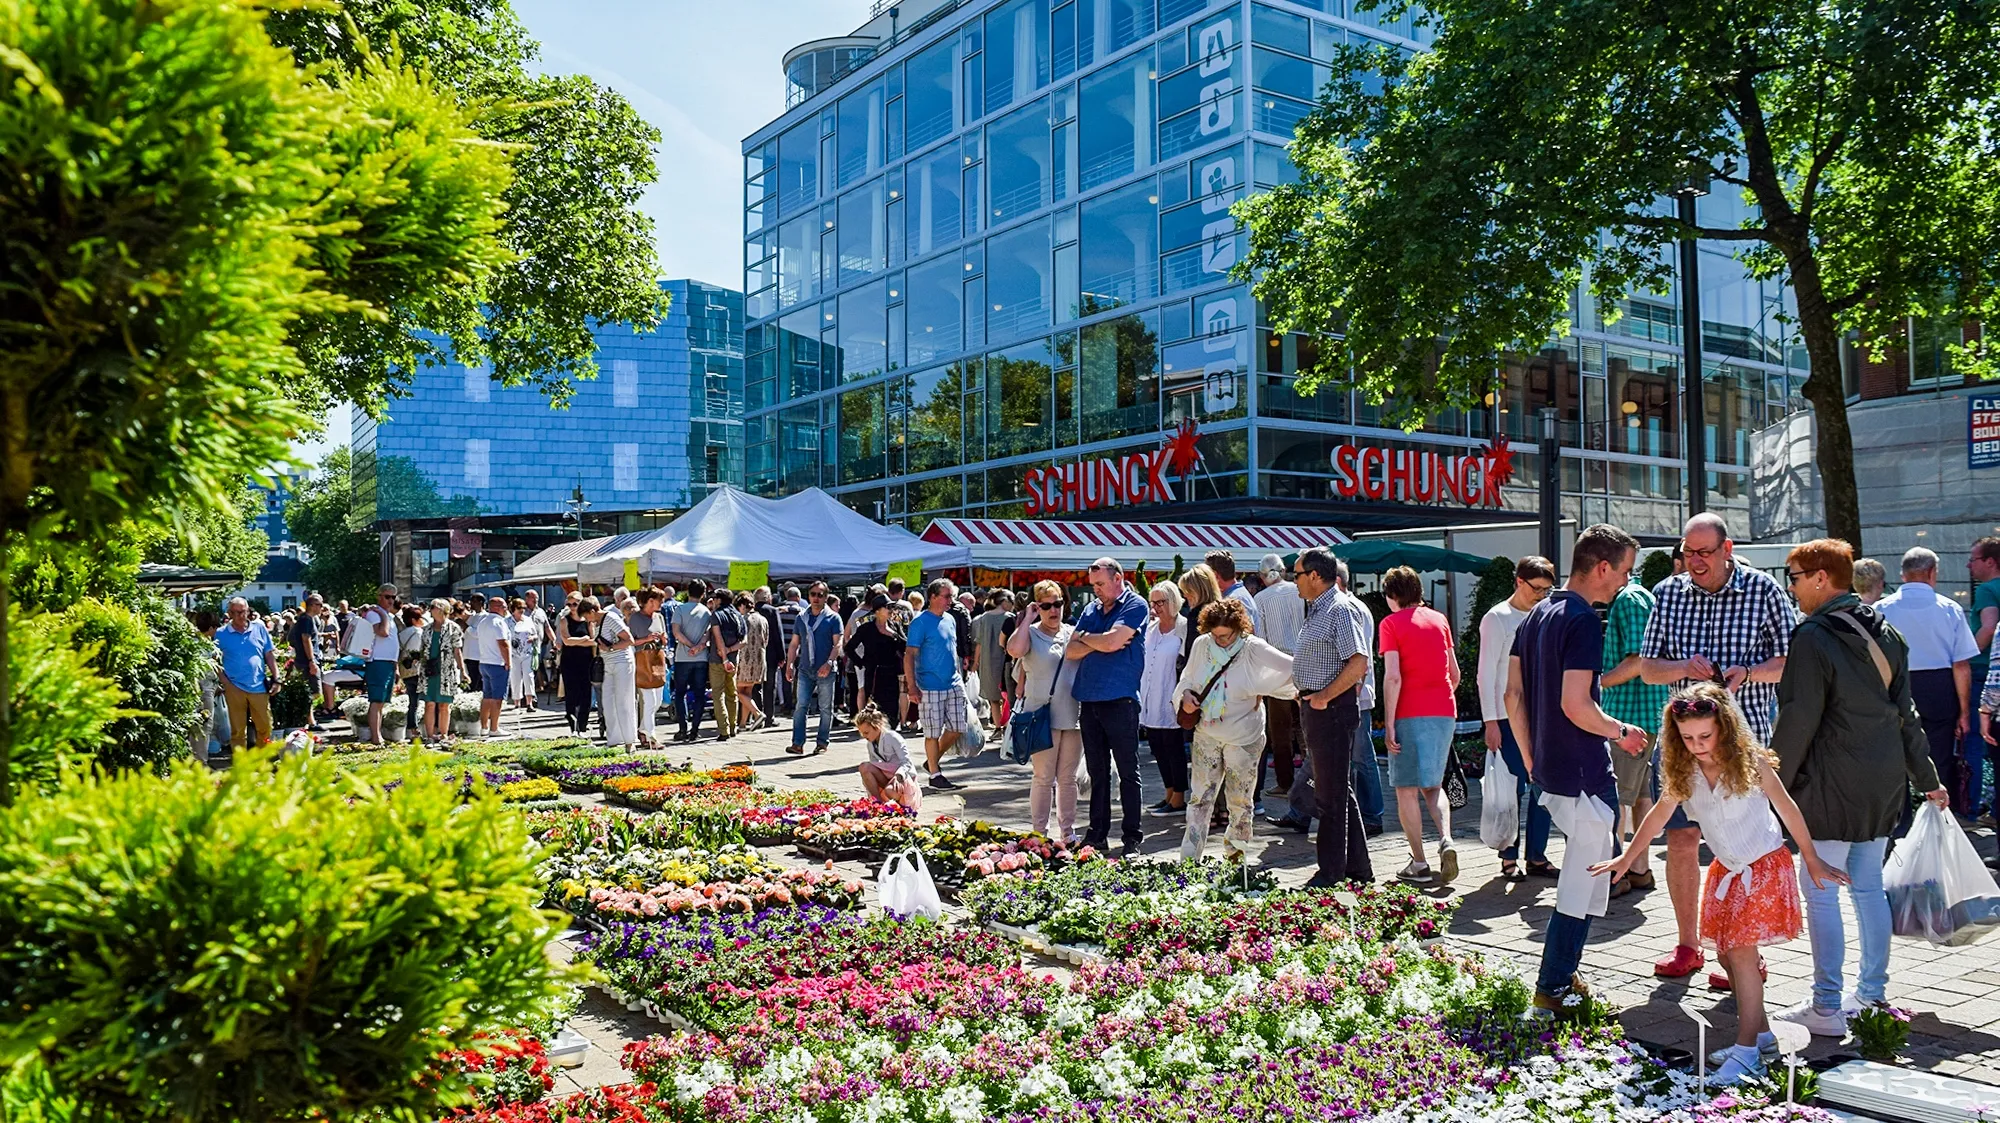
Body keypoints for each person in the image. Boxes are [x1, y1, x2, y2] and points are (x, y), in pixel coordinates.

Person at [1594, 683, 1848, 1083]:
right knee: (1727, 956)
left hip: (1762, 866)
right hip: (1726, 871)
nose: (1697, 745)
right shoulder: (1684, 773)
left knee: (1743, 956)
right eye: (1688, 737)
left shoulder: (1750, 762)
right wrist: (1627, 857)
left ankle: (1748, 1051)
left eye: (1705, 736)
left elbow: (1788, 807)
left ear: (1725, 728)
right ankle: (1762, 1035)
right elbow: (1659, 816)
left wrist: (1812, 859)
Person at [1776, 539, 1949, 1037]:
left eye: (1795, 577)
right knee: (1868, 886)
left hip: (1831, 781)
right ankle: (1871, 994)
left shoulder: (1812, 635)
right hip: (1883, 779)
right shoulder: (1885, 629)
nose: (1791, 587)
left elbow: (1798, 718)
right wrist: (1928, 779)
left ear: (1821, 578)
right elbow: (1907, 716)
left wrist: (1772, 784)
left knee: (1823, 890)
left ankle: (1826, 1006)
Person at [1639, 512, 1796, 986]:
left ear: (1727, 550)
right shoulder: (1667, 593)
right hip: (1684, 744)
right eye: (1688, 552)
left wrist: (1747, 672)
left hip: (1742, 745)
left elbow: (1791, 661)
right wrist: (1682, 665)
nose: (1694, 561)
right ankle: (1689, 944)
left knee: (1741, 849)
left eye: (1704, 553)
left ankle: (1743, 952)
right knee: (1681, 839)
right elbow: (1647, 668)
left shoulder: (1763, 590)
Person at [1504, 523, 1650, 1017]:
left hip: (1551, 769)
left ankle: (1564, 977)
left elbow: (1512, 696)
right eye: (1625, 572)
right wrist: (1620, 731)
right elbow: (1576, 705)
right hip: (1585, 771)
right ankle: (1553, 986)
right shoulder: (1585, 620)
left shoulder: (1536, 614)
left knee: (1586, 877)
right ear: (1603, 567)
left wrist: (1529, 755)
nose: (1625, 583)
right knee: (1583, 881)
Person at [1176, 598, 1297, 863]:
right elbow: (1187, 677)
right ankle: (1188, 860)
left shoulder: (1253, 648)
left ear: (1239, 628)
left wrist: (1310, 688)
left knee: (1240, 801)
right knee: (1199, 799)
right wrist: (1185, 695)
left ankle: (1235, 859)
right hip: (1207, 733)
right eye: (1215, 635)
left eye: (1226, 635)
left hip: (1244, 737)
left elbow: (1292, 667)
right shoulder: (1202, 644)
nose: (1220, 640)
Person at [1286, 547, 1375, 886]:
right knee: (1338, 791)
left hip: (1332, 712)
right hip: (1319, 708)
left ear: (1314, 576)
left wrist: (1322, 696)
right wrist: (1307, 691)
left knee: (1330, 797)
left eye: (1296, 574)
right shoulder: (1319, 607)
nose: (1292, 581)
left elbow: (1358, 662)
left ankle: (1331, 872)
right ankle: (1358, 869)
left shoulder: (1338, 608)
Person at [1876, 546, 1981, 819]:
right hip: (1939, 688)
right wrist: (1964, 711)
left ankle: (1899, 822)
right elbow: (1961, 664)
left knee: (1894, 756)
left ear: (1903, 574)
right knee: (1940, 756)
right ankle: (1939, 818)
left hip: (1893, 686)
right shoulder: (1950, 609)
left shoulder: (1880, 609)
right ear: (1933, 573)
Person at [1378, 565, 1460, 886]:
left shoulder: (1390, 625)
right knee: (1433, 786)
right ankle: (1447, 839)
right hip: (1444, 711)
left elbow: (1393, 676)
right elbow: (1454, 674)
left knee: (1406, 790)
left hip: (1408, 713)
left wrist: (1389, 724)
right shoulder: (1439, 620)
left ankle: (1420, 863)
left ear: (1393, 595)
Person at [1477, 556, 1557, 880]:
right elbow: (1485, 674)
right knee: (1512, 788)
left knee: (1544, 787)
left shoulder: (1547, 616)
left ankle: (1537, 856)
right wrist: (1490, 721)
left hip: (1543, 716)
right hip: (1507, 716)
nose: (1541, 595)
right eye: (1536, 588)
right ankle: (1509, 857)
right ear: (1519, 582)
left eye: (1547, 590)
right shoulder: (1497, 618)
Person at [1067, 559, 1150, 852]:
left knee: (1128, 771)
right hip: (1089, 699)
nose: (1096, 590)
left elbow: (1113, 642)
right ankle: (1097, 834)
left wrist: (1090, 640)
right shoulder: (1091, 609)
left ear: (1119, 579)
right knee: (1097, 771)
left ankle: (1131, 838)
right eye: (1093, 585)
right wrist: (1097, 640)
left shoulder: (1135, 604)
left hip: (1120, 699)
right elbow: (1071, 650)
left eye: (1100, 584)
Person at [1601, 571, 1668, 898]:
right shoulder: (1639, 596)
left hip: (1631, 717)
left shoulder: (1628, 599)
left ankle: (1615, 875)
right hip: (1645, 716)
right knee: (1640, 798)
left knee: (1616, 802)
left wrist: (1595, 682)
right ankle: (1639, 871)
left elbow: (1639, 659)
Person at [1009, 579, 1084, 842]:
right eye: (1046, 605)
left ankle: (1068, 832)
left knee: (1068, 778)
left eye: (1058, 604)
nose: (1054, 610)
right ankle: (1039, 833)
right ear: (1037, 607)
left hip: (1073, 715)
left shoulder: (1072, 632)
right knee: (1043, 777)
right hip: (1041, 717)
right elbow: (1014, 650)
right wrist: (1027, 618)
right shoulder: (1030, 633)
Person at [904, 579, 967, 783]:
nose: (951, 600)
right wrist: (912, 686)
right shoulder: (920, 622)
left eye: (952, 596)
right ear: (932, 597)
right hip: (929, 686)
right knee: (932, 732)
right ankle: (934, 774)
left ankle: (933, 760)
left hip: (954, 683)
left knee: (958, 727)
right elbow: (909, 655)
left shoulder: (950, 619)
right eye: (947, 596)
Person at [1253, 553, 1305, 801]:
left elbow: (1260, 641)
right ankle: (1311, 779)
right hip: (1304, 663)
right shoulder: (1300, 590)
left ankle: (1286, 783)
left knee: (1280, 730)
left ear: (1263, 577)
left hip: (1275, 668)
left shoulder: (1260, 599)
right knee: (1306, 724)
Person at [1140, 580, 1190, 814]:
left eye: (1161, 602)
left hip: (1171, 696)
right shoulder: (1150, 629)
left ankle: (1179, 797)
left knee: (1174, 748)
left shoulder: (1184, 628)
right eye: (1154, 602)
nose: (1156, 607)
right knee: (1157, 747)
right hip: (1151, 697)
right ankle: (1169, 793)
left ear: (1173, 601)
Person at [1963, 537, 2000, 819]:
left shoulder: (1987, 590)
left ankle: (1971, 809)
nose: (1968, 564)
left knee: (1977, 740)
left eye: (1973, 559)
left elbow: (1988, 627)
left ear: (1990, 562)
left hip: (1985, 672)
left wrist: (1966, 654)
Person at [788, 581, 846, 756]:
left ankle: (822, 743)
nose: (816, 598)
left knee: (825, 708)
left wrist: (829, 663)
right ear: (808, 596)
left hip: (826, 669)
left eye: (820, 595)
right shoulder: (801, 618)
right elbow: (794, 644)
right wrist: (790, 664)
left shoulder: (833, 618)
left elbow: (838, 644)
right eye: (813, 594)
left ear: (826, 597)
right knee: (800, 706)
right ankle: (797, 743)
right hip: (805, 668)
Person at [216, 596, 278, 750]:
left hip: (258, 685)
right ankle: (241, 765)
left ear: (248, 611)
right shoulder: (221, 633)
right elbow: (214, 660)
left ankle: (262, 760)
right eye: (235, 612)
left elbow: (269, 654)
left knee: (265, 726)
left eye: (242, 611)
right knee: (237, 730)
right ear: (229, 613)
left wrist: (276, 678)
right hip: (234, 686)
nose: (240, 615)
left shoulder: (259, 628)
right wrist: (224, 681)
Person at [845, 593, 906, 717]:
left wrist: (893, 635)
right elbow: (849, 648)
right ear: (877, 611)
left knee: (892, 707)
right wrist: (861, 662)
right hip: (874, 673)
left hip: (892, 672)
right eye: (887, 607)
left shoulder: (895, 626)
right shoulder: (866, 628)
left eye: (891, 607)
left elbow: (905, 646)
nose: (891, 610)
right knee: (875, 708)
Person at [355, 584, 401, 746]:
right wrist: (382, 614)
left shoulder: (388, 615)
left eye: (393, 597)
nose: (390, 600)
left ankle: (378, 734)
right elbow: (383, 632)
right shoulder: (375, 615)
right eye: (387, 597)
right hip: (377, 661)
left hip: (387, 662)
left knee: (381, 701)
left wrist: (395, 667)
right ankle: (375, 736)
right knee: (376, 700)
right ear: (379, 596)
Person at [668, 579, 713, 743]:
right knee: (700, 694)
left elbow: (676, 632)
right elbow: (709, 633)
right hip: (701, 658)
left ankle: (682, 728)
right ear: (703, 594)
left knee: (680, 693)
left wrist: (689, 646)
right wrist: (699, 647)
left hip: (682, 657)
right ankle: (695, 729)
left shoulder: (679, 609)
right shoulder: (707, 612)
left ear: (687, 592)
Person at [854, 704, 922, 809]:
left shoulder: (892, 737)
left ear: (877, 726)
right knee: (864, 767)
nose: (864, 736)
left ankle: (903, 808)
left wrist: (898, 776)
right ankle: (877, 804)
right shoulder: (870, 744)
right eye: (862, 733)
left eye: (866, 732)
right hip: (888, 776)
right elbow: (875, 766)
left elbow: (906, 762)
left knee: (889, 790)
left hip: (902, 777)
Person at [419, 598, 467, 743]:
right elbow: (422, 650)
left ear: (441, 610)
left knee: (444, 705)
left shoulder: (453, 628)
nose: (430, 609)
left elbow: (457, 651)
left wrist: (463, 671)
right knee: (429, 703)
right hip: (429, 670)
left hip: (446, 670)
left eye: (433, 607)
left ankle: (444, 735)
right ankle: (429, 736)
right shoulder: (426, 629)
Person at [596, 594, 638, 747]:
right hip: (608, 665)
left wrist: (610, 648)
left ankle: (629, 741)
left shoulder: (611, 618)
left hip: (622, 663)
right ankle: (613, 740)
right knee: (608, 703)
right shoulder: (596, 623)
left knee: (623, 702)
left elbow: (629, 640)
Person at [628, 589, 668, 747]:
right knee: (649, 700)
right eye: (660, 600)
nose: (661, 604)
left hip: (657, 659)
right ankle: (651, 736)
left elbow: (665, 639)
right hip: (642, 660)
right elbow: (630, 641)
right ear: (650, 600)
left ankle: (643, 729)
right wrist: (647, 638)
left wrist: (663, 639)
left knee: (657, 701)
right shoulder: (635, 618)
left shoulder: (659, 617)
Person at [470, 594, 512, 737]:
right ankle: (494, 728)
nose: (506, 609)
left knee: (487, 696)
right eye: (505, 606)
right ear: (498, 608)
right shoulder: (499, 622)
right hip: (497, 663)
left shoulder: (483, 621)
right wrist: (508, 662)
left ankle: (484, 727)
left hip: (484, 662)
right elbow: (503, 643)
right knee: (497, 697)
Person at [286, 593, 328, 732]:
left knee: (311, 691)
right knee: (314, 691)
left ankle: (309, 720)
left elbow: (292, 638)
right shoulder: (307, 620)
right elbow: (306, 639)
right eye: (320, 605)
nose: (321, 607)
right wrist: (311, 661)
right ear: (312, 605)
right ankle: (307, 719)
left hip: (304, 659)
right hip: (307, 660)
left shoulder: (305, 619)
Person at [708, 589, 746, 741]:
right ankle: (733, 726)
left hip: (718, 661)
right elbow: (744, 642)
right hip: (734, 659)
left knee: (718, 694)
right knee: (732, 693)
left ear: (719, 600)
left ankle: (723, 730)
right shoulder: (738, 615)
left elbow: (718, 638)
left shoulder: (716, 615)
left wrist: (724, 658)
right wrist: (730, 651)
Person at [558, 592, 596, 734]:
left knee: (586, 694)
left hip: (586, 661)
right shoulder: (564, 620)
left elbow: (594, 641)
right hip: (569, 661)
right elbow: (566, 640)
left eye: (575, 603)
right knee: (571, 694)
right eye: (569, 604)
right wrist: (583, 640)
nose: (572, 607)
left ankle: (582, 726)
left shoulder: (588, 621)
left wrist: (579, 641)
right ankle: (572, 725)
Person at [974, 591, 1014, 723]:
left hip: (987, 662)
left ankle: (997, 726)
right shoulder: (1010, 617)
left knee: (993, 699)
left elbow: (979, 642)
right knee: (1008, 696)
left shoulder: (984, 617)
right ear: (1004, 601)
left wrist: (976, 661)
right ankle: (1007, 726)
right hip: (1006, 661)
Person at [732, 593, 770, 730]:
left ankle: (757, 713)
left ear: (742, 605)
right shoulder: (763, 619)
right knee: (747, 692)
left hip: (744, 659)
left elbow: (739, 639)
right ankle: (742, 724)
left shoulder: (741, 619)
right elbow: (766, 640)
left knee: (738, 692)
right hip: (759, 659)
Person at [191, 610, 225, 756]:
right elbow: (211, 670)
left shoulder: (191, 642)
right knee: (205, 725)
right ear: (211, 628)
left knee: (194, 724)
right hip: (205, 689)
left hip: (195, 688)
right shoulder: (207, 645)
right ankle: (201, 761)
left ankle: (194, 758)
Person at [1204, 549, 1261, 632]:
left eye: (1206, 575)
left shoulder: (1238, 599)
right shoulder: (1236, 595)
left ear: (1215, 575)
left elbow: (1248, 634)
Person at [754, 586, 787, 720]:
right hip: (771, 654)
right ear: (768, 598)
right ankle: (769, 715)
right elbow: (778, 634)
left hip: (754, 654)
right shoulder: (772, 611)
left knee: (755, 685)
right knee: (770, 686)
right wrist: (782, 656)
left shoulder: (752, 611)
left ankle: (756, 713)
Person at [1179, 565, 1221, 664]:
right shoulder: (1221, 611)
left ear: (1198, 590)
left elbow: (1192, 650)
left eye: (1187, 591)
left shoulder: (1196, 615)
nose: (1185, 595)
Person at [397, 604, 427, 736]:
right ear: (414, 619)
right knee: (427, 701)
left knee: (412, 702)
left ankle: (412, 728)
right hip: (419, 670)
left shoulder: (401, 634)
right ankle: (427, 727)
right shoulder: (419, 633)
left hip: (405, 669)